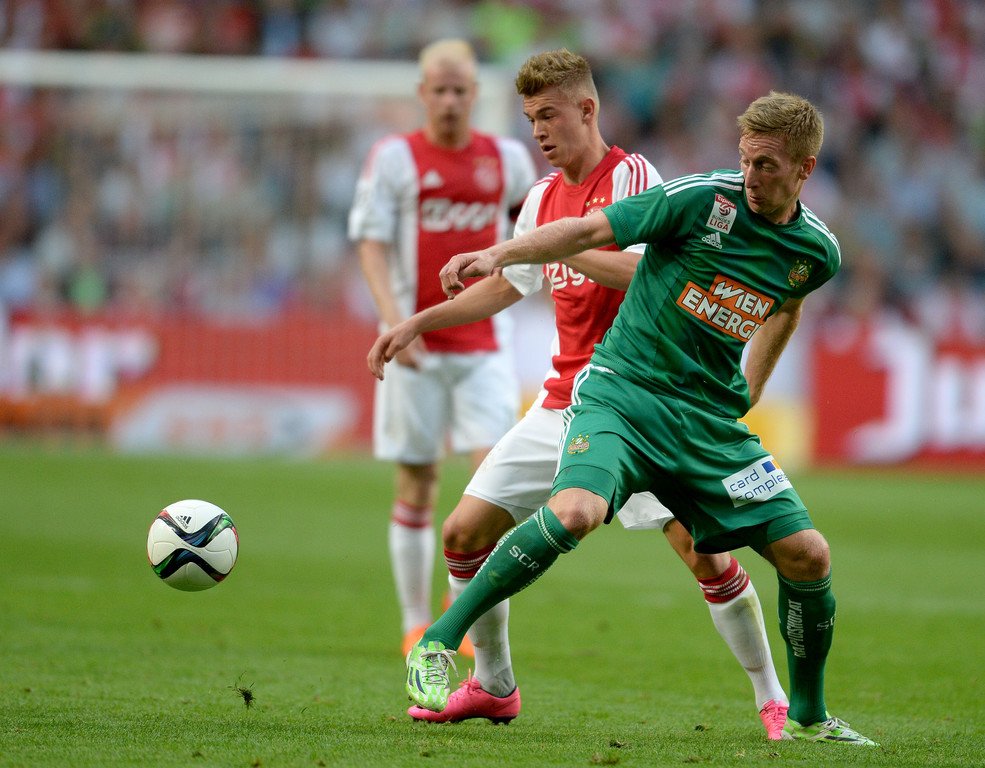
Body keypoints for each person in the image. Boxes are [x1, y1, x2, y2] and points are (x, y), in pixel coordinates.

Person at [404, 90, 880, 746]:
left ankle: (807, 716)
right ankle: (437, 641)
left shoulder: (815, 251)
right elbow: (589, 231)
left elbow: (787, 306)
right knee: (575, 512)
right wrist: (501, 254)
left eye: (766, 165)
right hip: (621, 395)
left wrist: (750, 386)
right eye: (745, 160)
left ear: (806, 168)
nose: (749, 175)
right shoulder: (701, 199)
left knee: (807, 554)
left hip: (706, 422)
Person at [348, 39, 536, 658]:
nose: (451, 101)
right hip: (416, 348)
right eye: (440, 90)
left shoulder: (508, 159)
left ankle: (468, 618)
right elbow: (371, 242)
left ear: (475, 95)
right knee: (418, 479)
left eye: (460, 90)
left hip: (485, 344)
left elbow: (531, 236)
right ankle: (413, 622)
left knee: (493, 485)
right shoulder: (395, 157)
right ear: (422, 93)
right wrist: (393, 321)